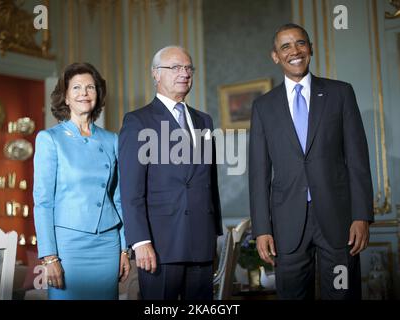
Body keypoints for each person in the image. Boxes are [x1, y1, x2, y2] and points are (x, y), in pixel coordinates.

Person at [249, 23, 374, 299]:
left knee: (342, 294)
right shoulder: (263, 107)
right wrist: (261, 229)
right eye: (286, 46)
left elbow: (357, 159)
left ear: (311, 48)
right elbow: (258, 174)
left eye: (301, 43)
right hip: (287, 225)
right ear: (275, 56)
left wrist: (361, 215)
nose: (295, 51)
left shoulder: (340, 93)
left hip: (339, 221)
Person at [118, 46, 222, 300]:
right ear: (156, 74)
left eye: (188, 68)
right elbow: (131, 190)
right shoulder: (138, 121)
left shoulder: (204, 121)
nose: (184, 73)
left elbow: (210, 182)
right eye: (175, 67)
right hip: (160, 245)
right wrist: (140, 242)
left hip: (202, 241)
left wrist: (213, 235)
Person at [33, 62, 130, 300]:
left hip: (108, 244)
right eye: (76, 88)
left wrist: (124, 248)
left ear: (98, 94)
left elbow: (120, 199)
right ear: (65, 97)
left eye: (90, 87)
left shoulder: (112, 140)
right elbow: (43, 202)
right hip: (68, 248)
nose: (84, 93)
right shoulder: (49, 139)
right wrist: (50, 256)